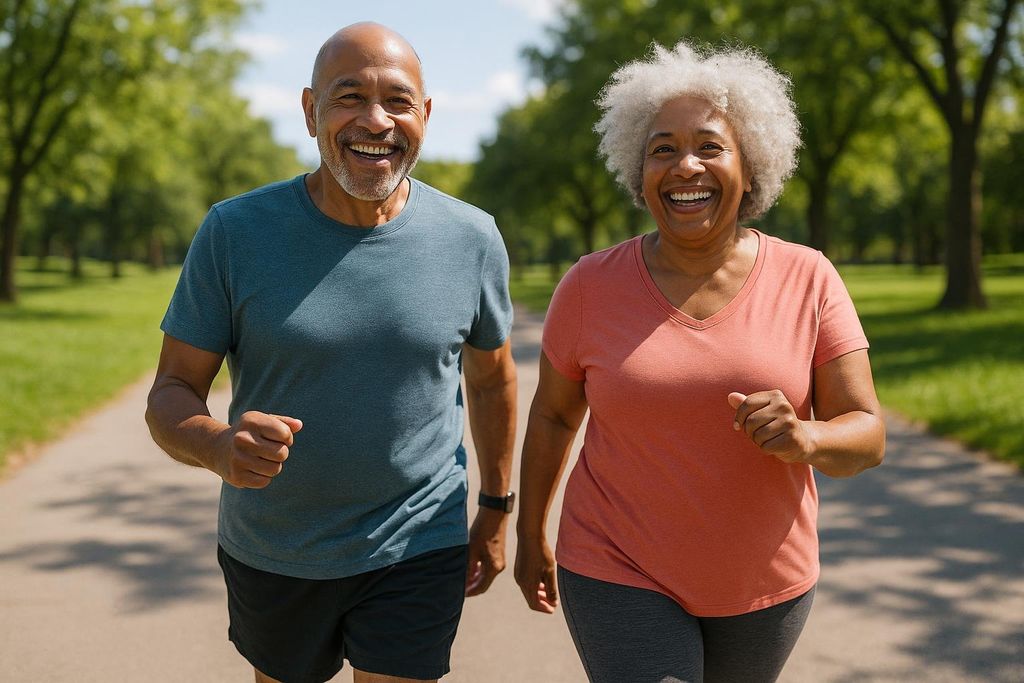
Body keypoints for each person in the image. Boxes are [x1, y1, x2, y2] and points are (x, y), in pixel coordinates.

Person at [145, 22, 518, 683]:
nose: (376, 120)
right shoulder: (235, 232)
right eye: (349, 96)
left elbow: (490, 381)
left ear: (425, 115)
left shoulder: (472, 238)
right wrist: (218, 445)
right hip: (276, 547)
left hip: (418, 537)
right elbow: (172, 389)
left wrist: (494, 506)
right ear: (311, 109)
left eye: (399, 100)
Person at [514, 41, 885, 683]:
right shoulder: (588, 286)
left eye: (710, 146)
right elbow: (551, 417)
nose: (686, 166)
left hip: (765, 580)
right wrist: (528, 533)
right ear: (639, 171)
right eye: (663, 149)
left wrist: (806, 437)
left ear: (750, 167)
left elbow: (867, 433)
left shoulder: (810, 278)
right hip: (615, 564)